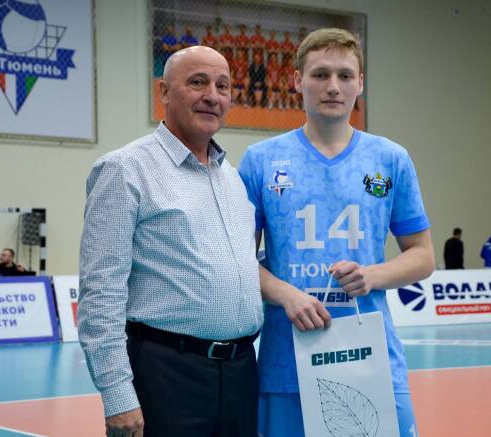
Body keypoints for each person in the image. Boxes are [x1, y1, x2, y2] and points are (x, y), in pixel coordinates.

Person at [238, 28, 434, 437]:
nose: (333, 86)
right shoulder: (261, 160)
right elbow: (237, 260)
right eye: (320, 74)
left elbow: (423, 255)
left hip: (371, 358)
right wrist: (286, 294)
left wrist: (373, 275)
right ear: (297, 80)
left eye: (345, 76)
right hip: (286, 362)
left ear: (360, 83)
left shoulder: (390, 159)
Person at [78, 46, 263, 437]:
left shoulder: (231, 178)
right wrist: (117, 395)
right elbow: (101, 291)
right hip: (166, 376)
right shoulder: (125, 169)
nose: (212, 95)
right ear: (163, 91)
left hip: (241, 373)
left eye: (223, 86)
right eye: (198, 82)